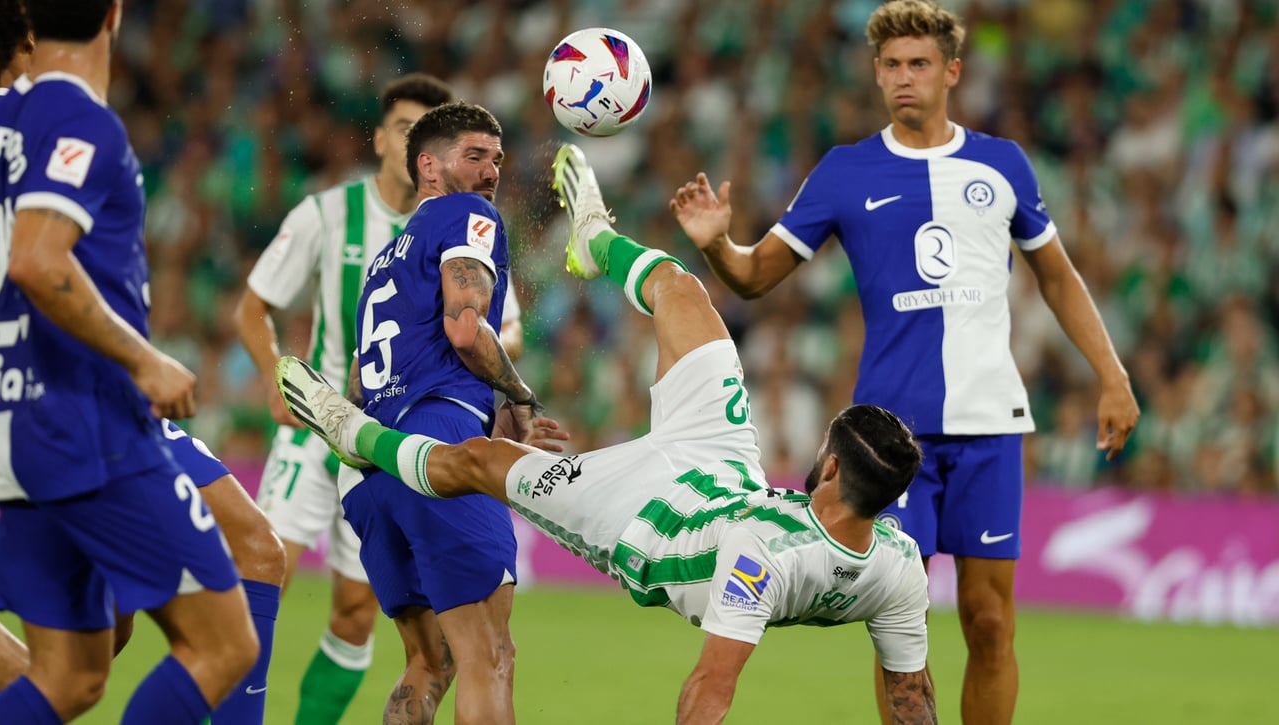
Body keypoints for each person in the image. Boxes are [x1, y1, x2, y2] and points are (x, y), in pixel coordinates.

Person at [275, 142, 938, 725]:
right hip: (727, 474)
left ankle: (352, 429)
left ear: (829, 469)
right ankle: (593, 240)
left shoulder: (762, 557)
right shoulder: (900, 564)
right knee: (681, 291)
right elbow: (911, 696)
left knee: (479, 459)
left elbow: (709, 692)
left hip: (644, 519)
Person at [668, 2, 1140, 723]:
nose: (903, 77)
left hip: (989, 424)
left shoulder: (1002, 164)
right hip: (891, 443)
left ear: (952, 71)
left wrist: (1113, 374)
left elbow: (1058, 276)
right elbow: (756, 275)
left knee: (990, 621)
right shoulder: (845, 171)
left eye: (919, 63)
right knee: (899, 620)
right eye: (891, 65)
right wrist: (715, 245)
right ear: (876, 73)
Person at [0, 2, 286, 720]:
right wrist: (144, 359)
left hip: (25, 414)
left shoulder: (11, 122)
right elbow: (37, 260)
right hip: (88, 418)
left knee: (73, 675)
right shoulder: (76, 119)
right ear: (115, 14)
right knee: (224, 642)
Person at [305, 99, 558, 725]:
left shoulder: (384, 261)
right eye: (475, 156)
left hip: (369, 470)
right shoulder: (469, 215)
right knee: (489, 654)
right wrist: (520, 397)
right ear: (428, 166)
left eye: (497, 159)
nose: (491, 172)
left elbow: (360, 382)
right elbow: (466, 329)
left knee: (430, 662)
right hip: (435, 448)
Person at [235, 72, 467, 724]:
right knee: (264, 572)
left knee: (357, 611)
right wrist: (275, 376)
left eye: (427, 136)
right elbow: (252, 307)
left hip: (385, 445)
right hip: (314, 427)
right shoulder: (327, 214)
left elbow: (487, 331)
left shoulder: (454, 230)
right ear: (380, 139)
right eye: (403, 129)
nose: (414, 145)